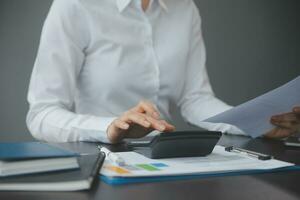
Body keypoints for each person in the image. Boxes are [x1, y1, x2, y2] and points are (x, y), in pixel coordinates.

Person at [26, 0, 299, 144]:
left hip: (167, 158)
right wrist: (108, 128)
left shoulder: (185, 8)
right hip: (100, 159)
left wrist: (256, 125)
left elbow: (194, 100)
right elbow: (41, 113)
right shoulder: (75, 5)